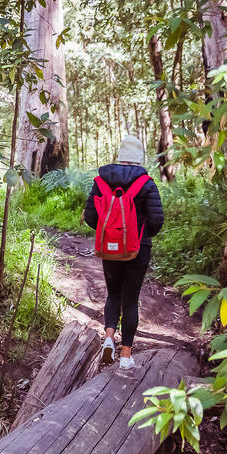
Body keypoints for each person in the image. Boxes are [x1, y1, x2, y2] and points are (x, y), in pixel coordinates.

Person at [83, 134, 164, 369]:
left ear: (120, 156)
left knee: (113, 295)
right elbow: (157, 220)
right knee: (130, 300)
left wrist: (112, 233)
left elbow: (90, 217)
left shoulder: (101, 182)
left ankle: (108, 338)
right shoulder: (146, 183)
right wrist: (141, 235)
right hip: (138, 249)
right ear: (139, 159)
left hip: (109, 250)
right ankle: (126, 356)